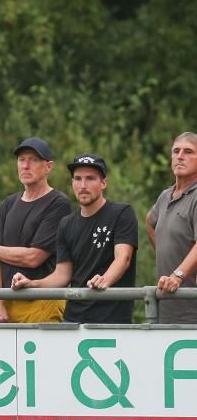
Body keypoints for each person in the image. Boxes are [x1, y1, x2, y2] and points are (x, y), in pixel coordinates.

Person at [10, 154, 138, 323]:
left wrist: (104, 279)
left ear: (103, 183)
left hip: (112, 318)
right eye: (77, 179)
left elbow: (123, 259)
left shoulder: (122, 213)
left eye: (90, 178)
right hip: (73, 319)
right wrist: (32, 284)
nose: (83, 185)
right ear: (72, 183)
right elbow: (63, 275)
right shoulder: (66, 224)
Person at [0, 137, 71, 323]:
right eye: (21, 159)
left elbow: (33, 257)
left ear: (49, 167)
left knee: (45, 353)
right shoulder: (8, 204)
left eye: (33, 160)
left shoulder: (58, 203)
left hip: (42, 301)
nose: (25, 165)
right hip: (6, 303)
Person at [147, 131, 197, 323]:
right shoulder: (165, 195)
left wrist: (178, 275)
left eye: (188, 151)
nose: (180, 156)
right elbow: (149, 221)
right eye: (176, 151)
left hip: (192, 307)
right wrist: (166, 254)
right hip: (167, 305)